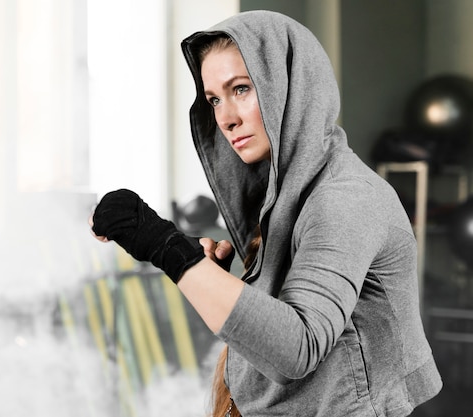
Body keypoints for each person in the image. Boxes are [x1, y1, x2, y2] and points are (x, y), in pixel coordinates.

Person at [90, 10, 442, 417]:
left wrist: (164, 246)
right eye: (214, 99)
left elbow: (297, 349)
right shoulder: (286, 196)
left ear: (290, 85)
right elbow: (276, 331)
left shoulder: (345, 198)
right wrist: (214, 283)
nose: (225, 118)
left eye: (241, 88)